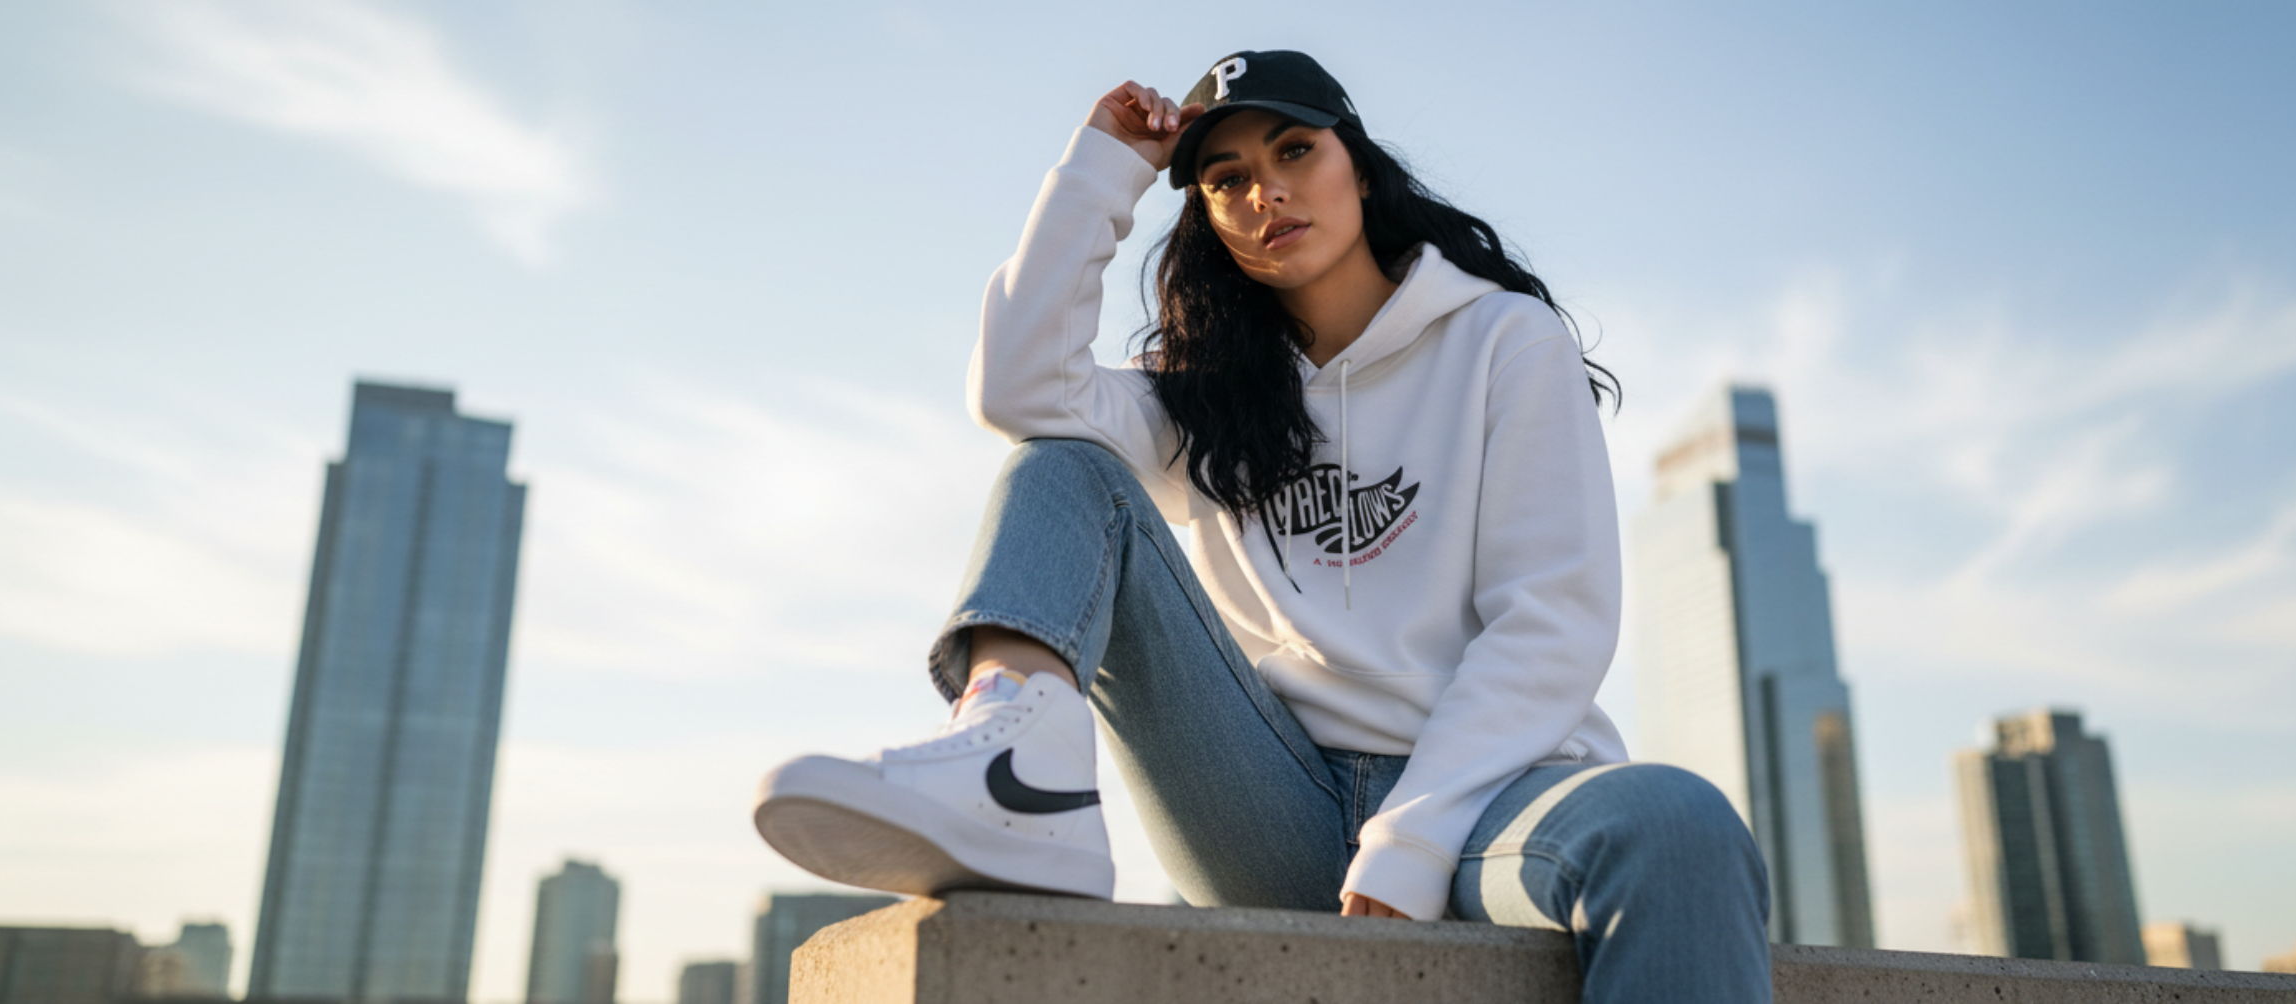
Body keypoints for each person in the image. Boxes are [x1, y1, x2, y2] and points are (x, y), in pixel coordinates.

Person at [753, 50, 1771, 1001]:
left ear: (1358, 168)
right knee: (1063, 465)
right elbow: (1023, 387)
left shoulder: (1503, 340)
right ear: (1207, 216)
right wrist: (1103, 169)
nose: (1264, 191)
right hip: (1264, 796)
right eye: (1225, 178)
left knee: (1674, 820)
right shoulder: (1201, 393)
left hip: (1487, 797)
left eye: (1294, 151)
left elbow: (1550, 618)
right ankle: (1009, 769)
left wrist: (1412, 834)